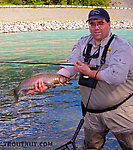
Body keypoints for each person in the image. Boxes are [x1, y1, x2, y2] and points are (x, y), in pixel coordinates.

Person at [27, 8, 133, 149]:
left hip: (121, 112)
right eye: (92, 23)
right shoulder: (82, 43)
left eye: (100, 23)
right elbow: (70, 66)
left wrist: (88, 72)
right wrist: (52, 81)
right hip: (91, 113)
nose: (96, 27)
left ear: (109, 23)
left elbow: (116, 77)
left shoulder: (122, 46)